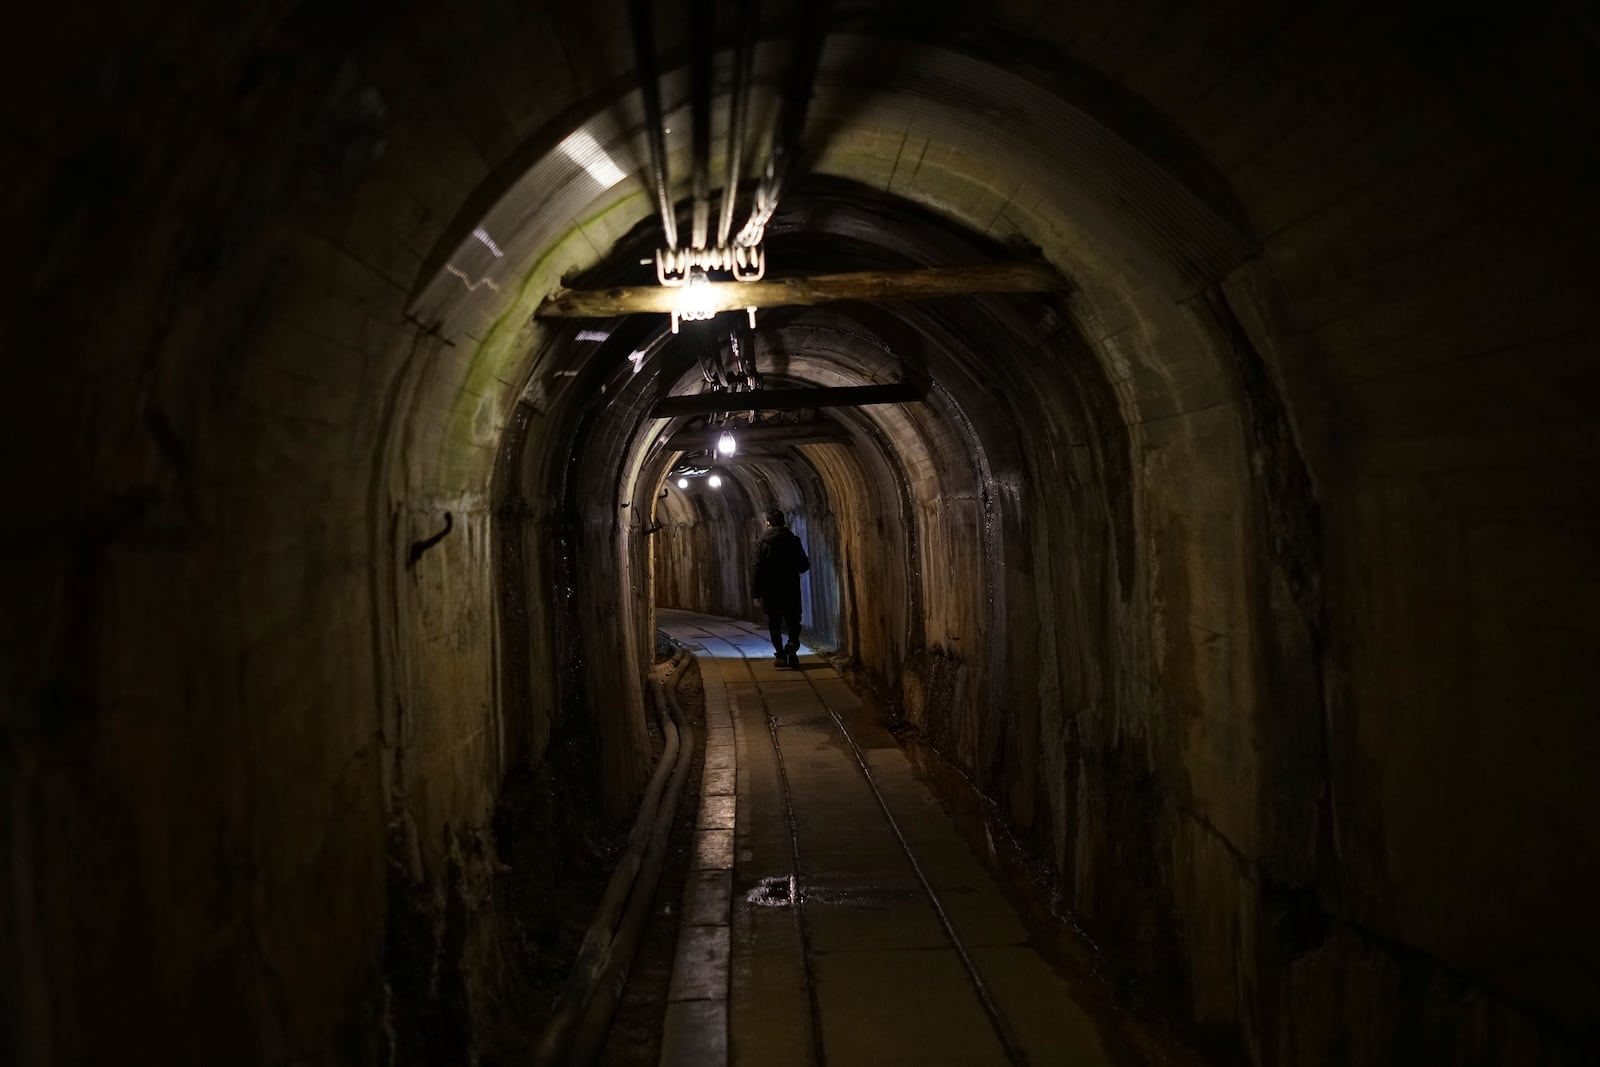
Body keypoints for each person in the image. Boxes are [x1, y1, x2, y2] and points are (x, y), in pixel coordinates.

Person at [751, 508, 810, 670]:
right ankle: (792, 644)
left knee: (774, 624)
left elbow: (758, 568)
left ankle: (781, 656)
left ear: (767, 523)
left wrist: (756, 594)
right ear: (784, 523)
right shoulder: (793, 540)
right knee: (794, 621)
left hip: (771, 590)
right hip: (791, 587)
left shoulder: (761, 543)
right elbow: (805, 565)